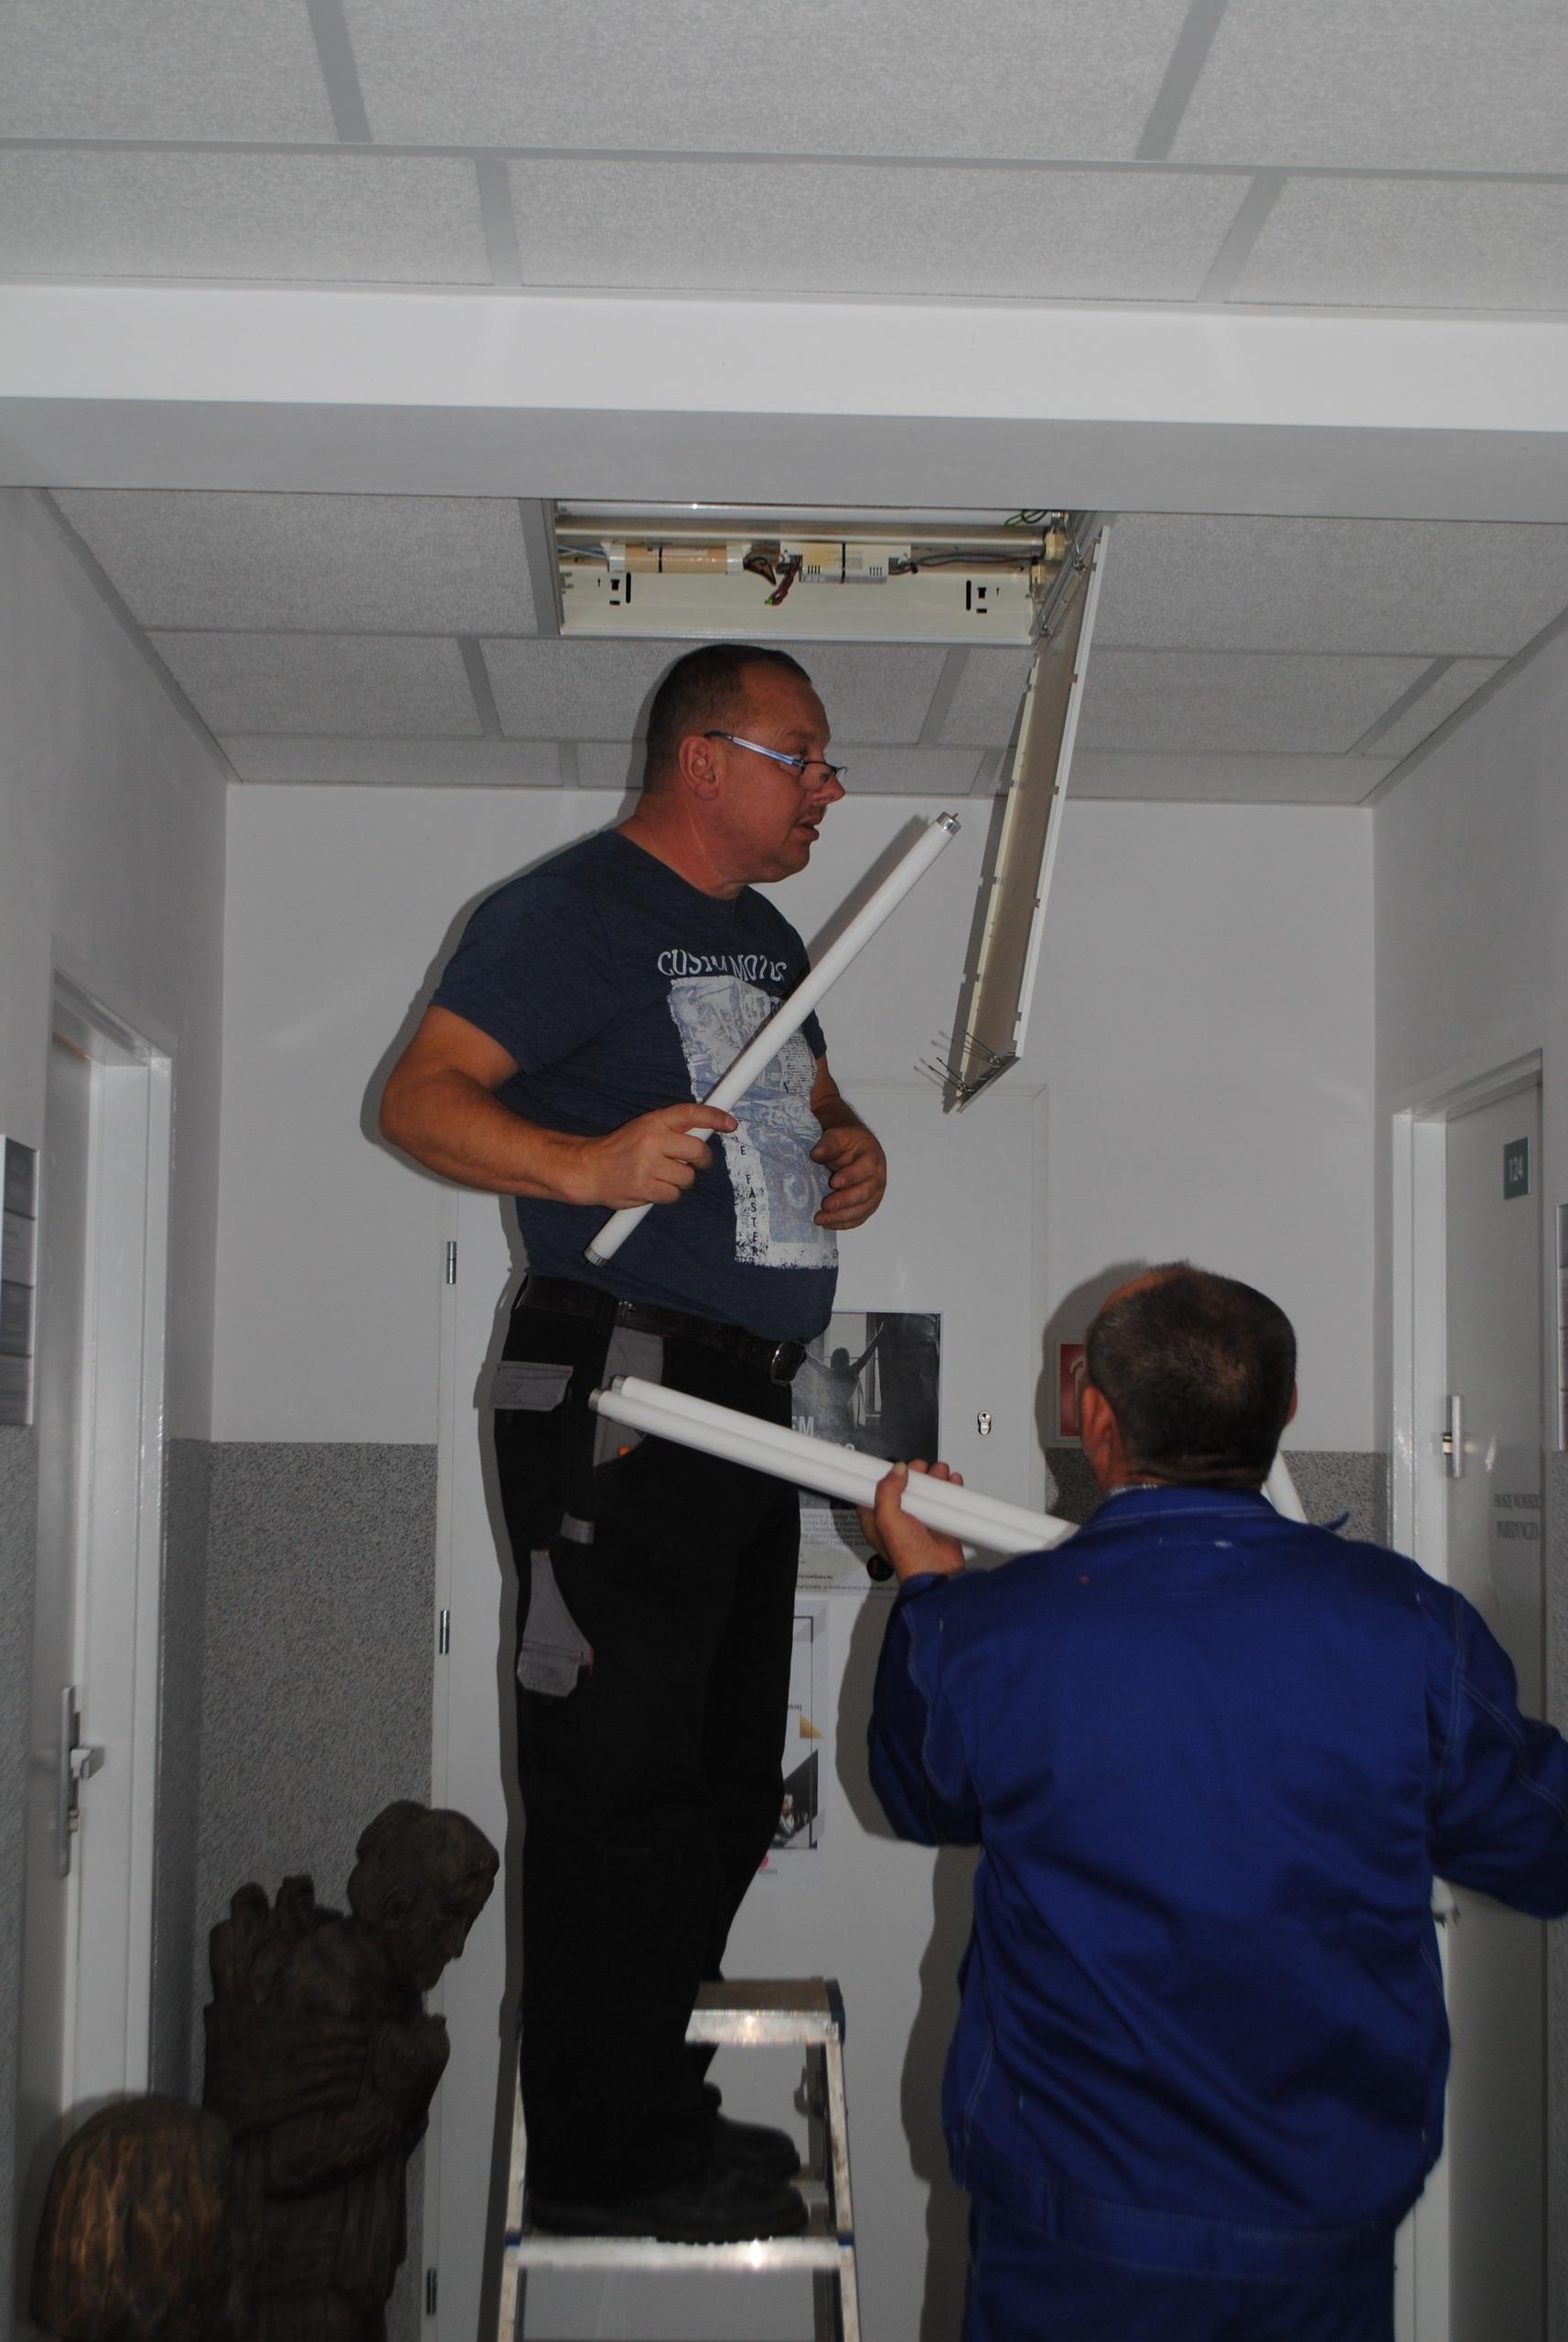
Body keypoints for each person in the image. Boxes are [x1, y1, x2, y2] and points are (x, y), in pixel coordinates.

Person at [379, 644, 886, 2243]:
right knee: (616, 1775)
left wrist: (848, 1144)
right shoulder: (567, 913)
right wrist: (582, 1164)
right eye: (803, 756)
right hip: (617, 1388)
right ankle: (604, 2157)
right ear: (703, 760)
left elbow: (810, 1102)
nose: (828, 788)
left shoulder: (769, 938)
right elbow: (418, 1100)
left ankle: (645, 2112)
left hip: (740, 1400)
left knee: (726, 1784)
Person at [859, 1264, 1568, 2342]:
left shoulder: (995, 1627)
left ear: (1098, 1423)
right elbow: (1543, 1842)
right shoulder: (1407, 1626)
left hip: (1070, 2231)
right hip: (1318, 2236)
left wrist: (928, 1592)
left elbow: (919, 1796)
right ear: (1285, 1412)